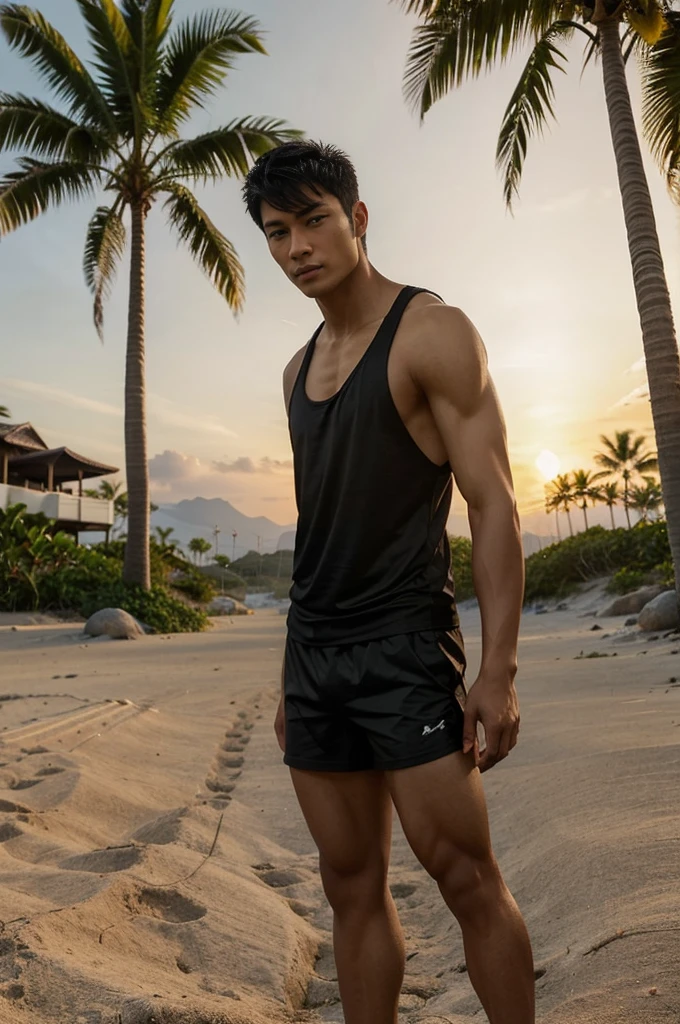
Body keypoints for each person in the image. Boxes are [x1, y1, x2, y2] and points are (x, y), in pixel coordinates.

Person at [242, 141, 534, 1024]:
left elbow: (494, 506)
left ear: (358, 218)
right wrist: (294, 674)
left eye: (315, 221)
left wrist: (497, 670)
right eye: (278, 232)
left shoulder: (434, 333)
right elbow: (322, 529)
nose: (298, 248)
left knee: (465, 878)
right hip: (316, 657)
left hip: (407, 648)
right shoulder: (295, 373)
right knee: (350, 886)